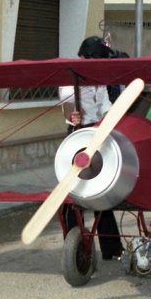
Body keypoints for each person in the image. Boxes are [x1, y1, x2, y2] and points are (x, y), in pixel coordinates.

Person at [58, 38, 122, 260]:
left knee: (101, 190)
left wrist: (113, 115)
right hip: (77, 136)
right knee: (74, 192)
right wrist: (71, 115)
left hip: (98, 134)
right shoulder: (69, 79)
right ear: (86, 58)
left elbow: (106, 106)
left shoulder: (100, 80)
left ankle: (111, 249)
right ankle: (75, 246)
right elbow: (67, 107)